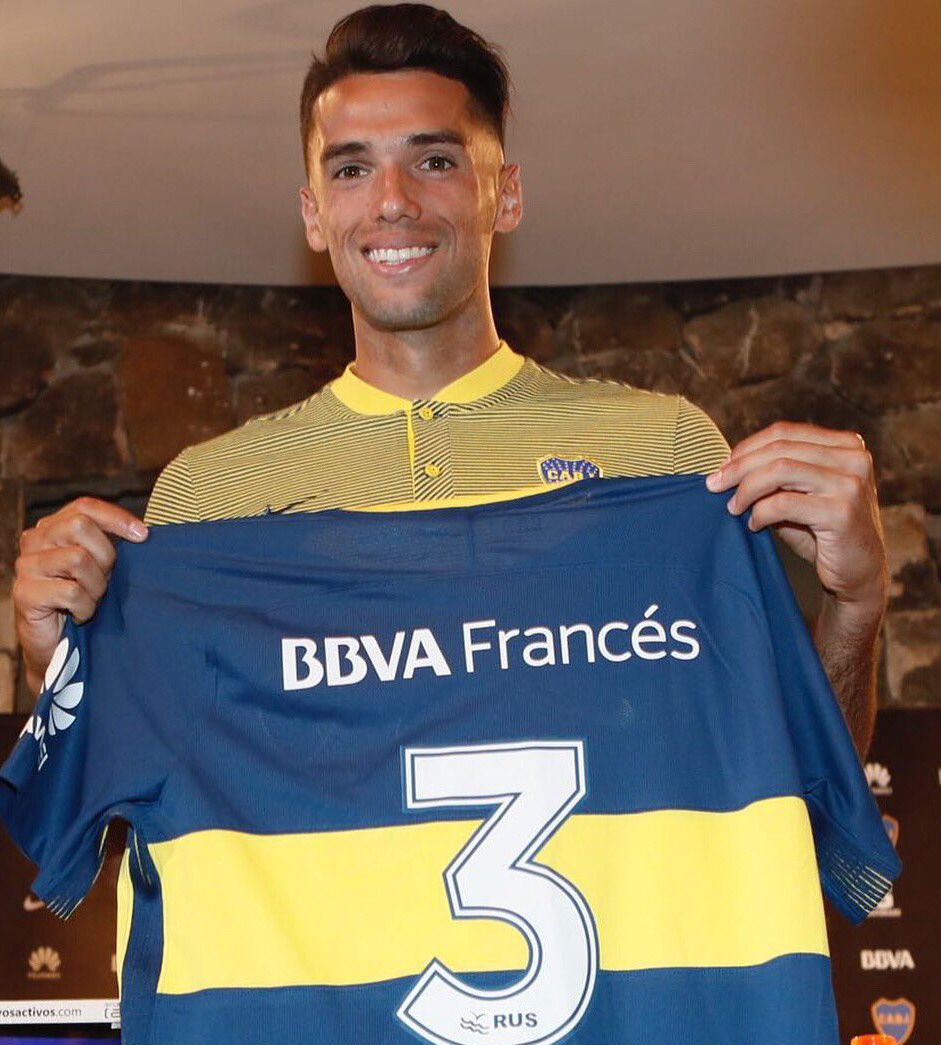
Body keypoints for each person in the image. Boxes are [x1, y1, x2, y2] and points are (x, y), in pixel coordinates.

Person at [12, 4, 887, 757]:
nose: (392, 200)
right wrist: (52, 662)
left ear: (504, 195)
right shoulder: (205, 497)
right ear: (314, 215)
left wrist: (855, 606)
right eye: (350, 168)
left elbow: (786, 790)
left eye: (434, 160)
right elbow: (139, 816)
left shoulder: (663, 452)